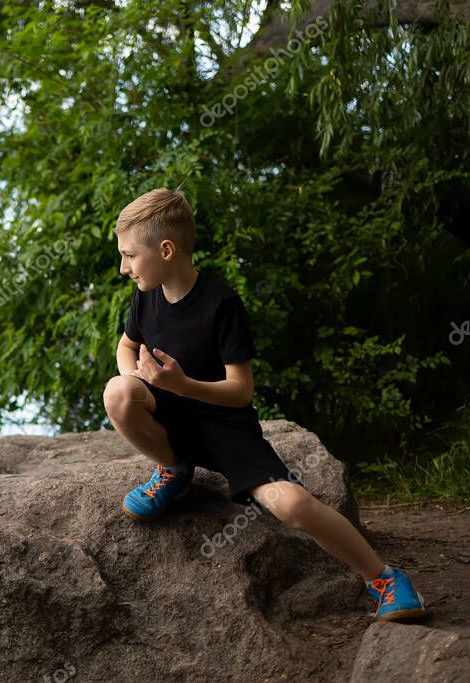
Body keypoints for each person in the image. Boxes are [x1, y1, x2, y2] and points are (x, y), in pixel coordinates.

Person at [102, 186, 428, 623]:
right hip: (172, 412)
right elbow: (127, 346)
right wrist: (138, 378)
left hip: (226, 429)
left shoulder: (221, 304)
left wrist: (182, 385)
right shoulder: (145, 295)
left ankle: (385, 578)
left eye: (129, 255)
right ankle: (173, 470)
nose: (124, 268)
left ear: (166, 250)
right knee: (117, 393)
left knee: (291, 505)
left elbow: (241, 391)